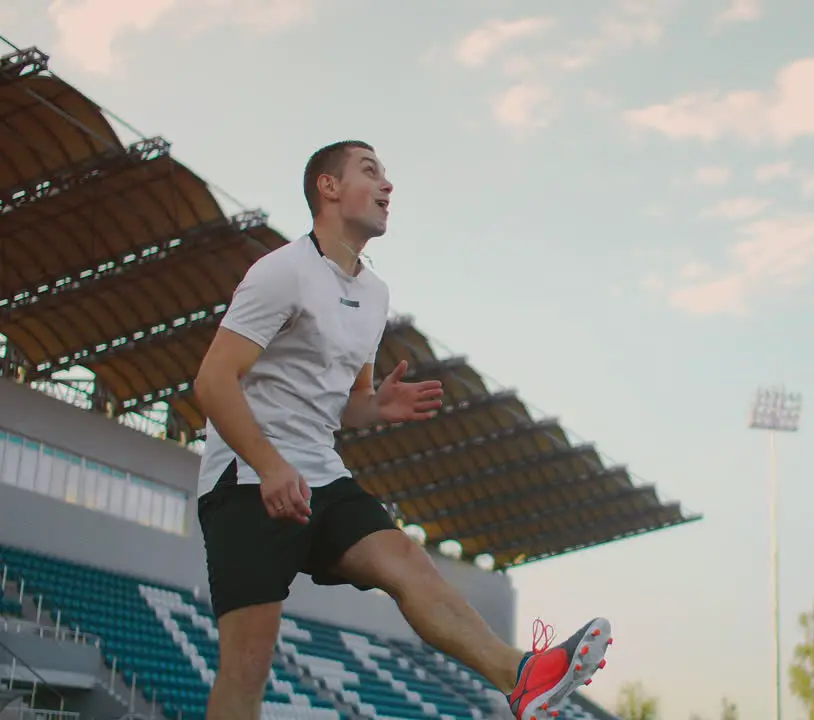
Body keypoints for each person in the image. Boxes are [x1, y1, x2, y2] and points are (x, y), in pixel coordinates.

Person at [193, 140, 611, 720]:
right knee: (247, 668)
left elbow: (342, 402)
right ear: (328, 187)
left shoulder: (374, 293)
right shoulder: (281, 271)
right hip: (245, 481)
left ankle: (522, 677)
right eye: (370, 171)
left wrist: (374, 407)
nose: (387, 185)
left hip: (320, 474)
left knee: (408, 563)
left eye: (386, 174)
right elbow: (213, 382)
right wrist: (269, 465)